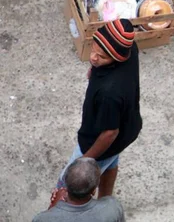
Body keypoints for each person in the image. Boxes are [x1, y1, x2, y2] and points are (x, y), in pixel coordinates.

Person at [49, 19, 142, 208]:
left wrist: (84, 161)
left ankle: (56, 214)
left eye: (102, 57)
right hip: (128, 127)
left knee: (67, 183)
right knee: (111, 160)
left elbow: (110, 133)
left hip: (102, 138)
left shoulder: (110, 94)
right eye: (94, 48)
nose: (93, 57)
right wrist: (96, 68)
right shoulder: (130, 48)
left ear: (117, 58)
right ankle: (105, 201)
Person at [34, 157, 125, 221]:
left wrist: (53, 208)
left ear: (66, 186)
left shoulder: (42, 218)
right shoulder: (112, 207)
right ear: (93, 191)